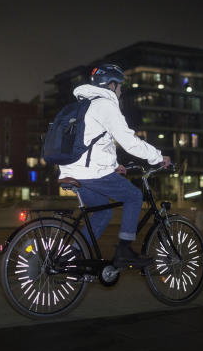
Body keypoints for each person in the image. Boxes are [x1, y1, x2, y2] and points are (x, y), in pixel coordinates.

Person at [58, 63, 171, 268]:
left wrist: (113, 165)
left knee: (103, 212)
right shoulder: (105, 105)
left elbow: (94, 142)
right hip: (90, 173)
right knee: (134, 196)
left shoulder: (85, 104)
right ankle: (124, 250)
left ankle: (73, 255)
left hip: (73, 170)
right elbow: (129, 142)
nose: (121, 92)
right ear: (111, 85)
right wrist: (157, 157)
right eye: (120, 87)